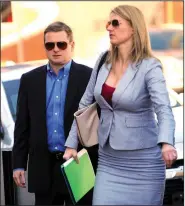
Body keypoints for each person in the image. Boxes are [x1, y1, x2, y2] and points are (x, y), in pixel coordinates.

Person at [63, 5, 177, 205]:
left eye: (115, 23)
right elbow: (84, 104)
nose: (109, 27)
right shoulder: (103, 61)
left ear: (134, 28)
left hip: (144, 163)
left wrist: (167, 142)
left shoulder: (150, 66)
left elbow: (164, 109)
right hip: (108, 160)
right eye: (108, 23)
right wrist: (72, 143)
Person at [12, 21, 97, 205]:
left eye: (61, 44)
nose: (56, 49)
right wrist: (18, 164)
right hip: (43, 166)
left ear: (72, 45)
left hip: (79, 164)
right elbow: (22, 126)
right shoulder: (30, 80)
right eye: (50, 45)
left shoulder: (89, 77)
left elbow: (98, 121)